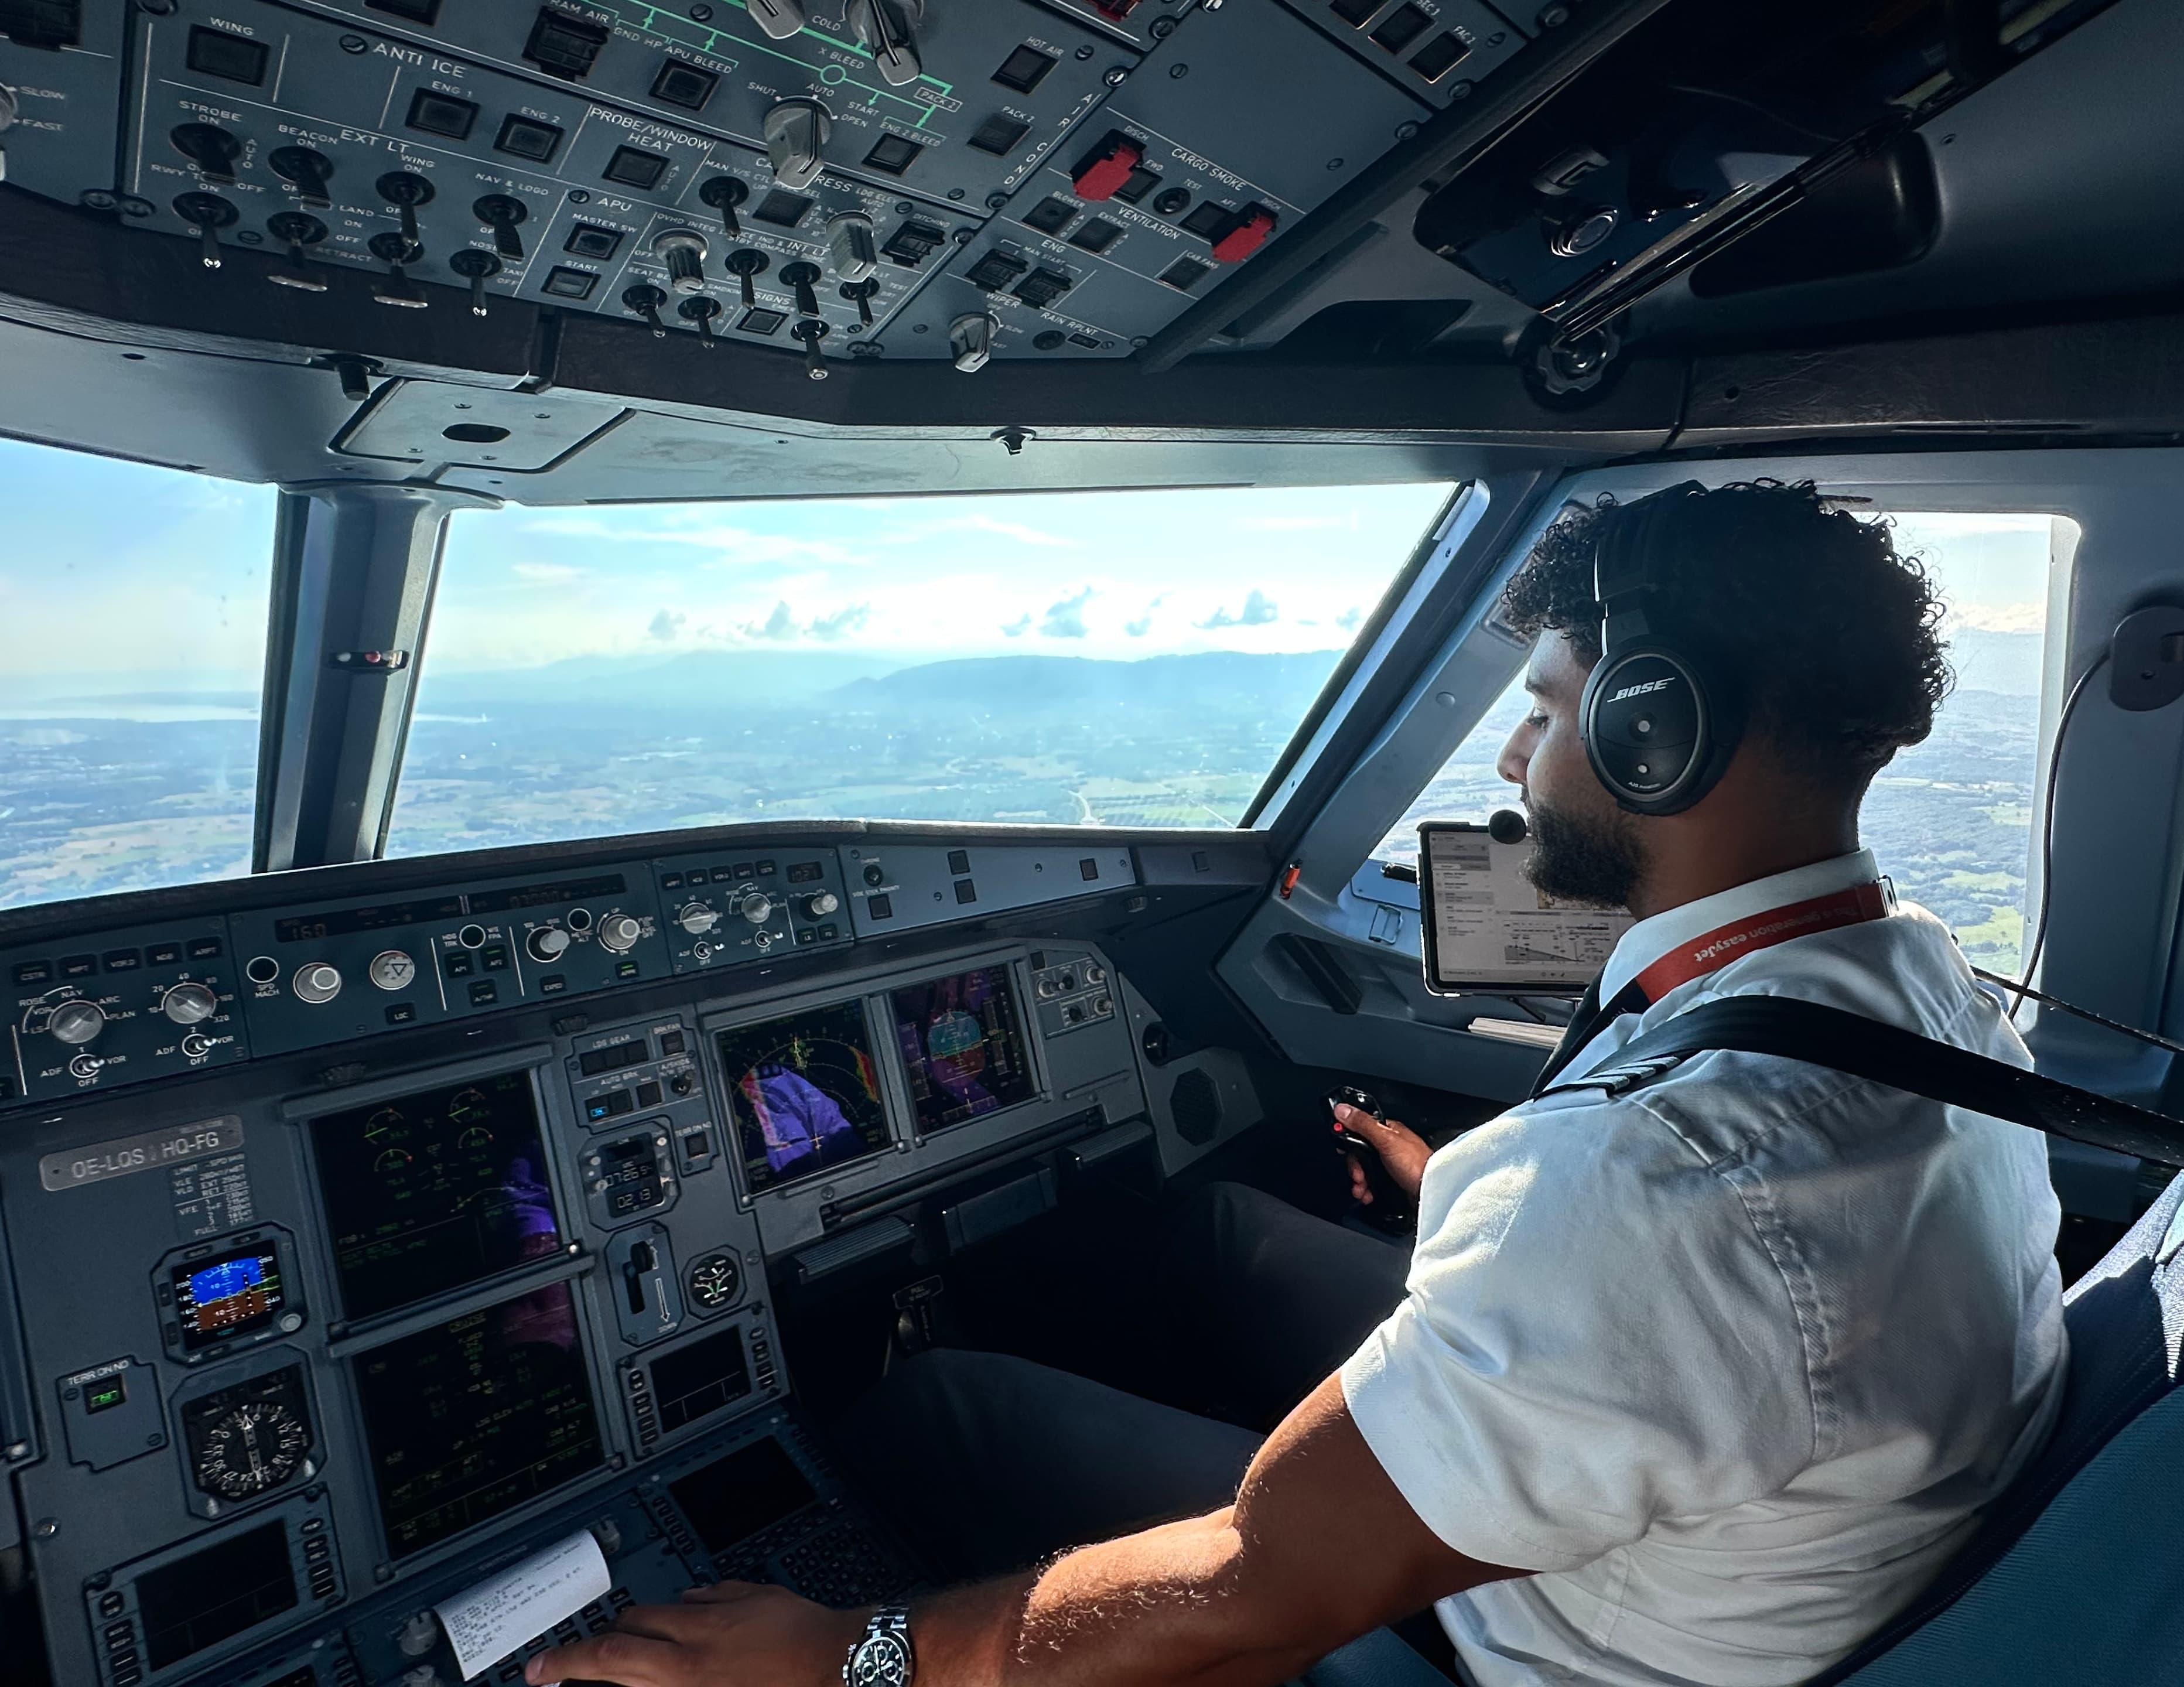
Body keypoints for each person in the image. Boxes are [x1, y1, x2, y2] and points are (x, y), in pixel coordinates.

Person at [528, 481, 2067, 1687]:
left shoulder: (1658, 1199)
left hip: (1496, 1645)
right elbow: (1666, 1260)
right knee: (1209, 1238)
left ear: (1650, 734)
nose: (1515, 760)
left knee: (949, 1401)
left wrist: (841, 1662)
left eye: (1542, 710)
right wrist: (1469, 1210)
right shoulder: (1925, 982)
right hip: (1706, 1524)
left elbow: (1253, 1586)